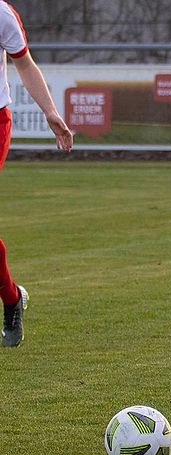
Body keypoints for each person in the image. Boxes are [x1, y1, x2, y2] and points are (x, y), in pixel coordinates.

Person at [0, 0, 74, 348]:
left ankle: (12, 300)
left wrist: (50, 112)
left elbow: (25, 65)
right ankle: (12, 297)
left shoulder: (3, 14)